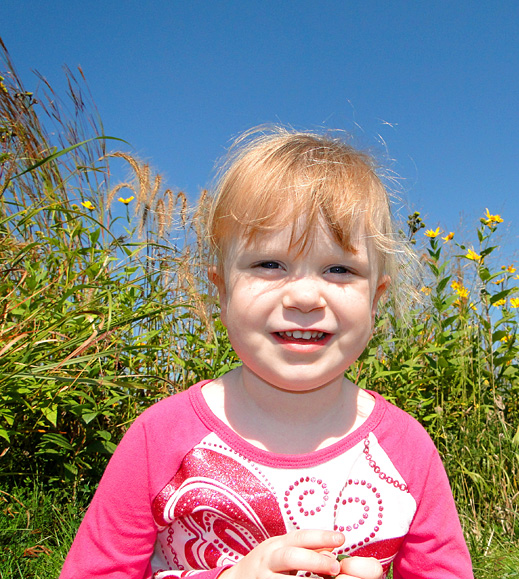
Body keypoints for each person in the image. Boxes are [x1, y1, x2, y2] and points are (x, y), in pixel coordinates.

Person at [61, 127, 473, 578]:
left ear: (376, 299)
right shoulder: (159, 439)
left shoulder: (406, 450)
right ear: (222, 291)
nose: (303, 296)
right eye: (269, 264)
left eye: (339, 268)